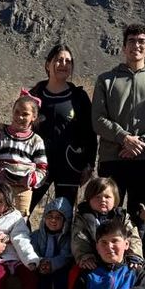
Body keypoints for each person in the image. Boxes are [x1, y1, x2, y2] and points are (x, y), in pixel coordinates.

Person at [91, 24, 145, 211]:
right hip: (112, 157)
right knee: (110, 213)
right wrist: (124, 138)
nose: (136, 45)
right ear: (123, 47)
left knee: (141, 214)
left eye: (141, 41)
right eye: (131, 41)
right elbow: (97, 118)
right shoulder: (106, 80)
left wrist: (142, 141)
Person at [29, 43, 96, 211]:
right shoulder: (35, 94)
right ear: (48, 64)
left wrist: (89, 164)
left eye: (68, 61)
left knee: (64, 214)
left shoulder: (79, 97)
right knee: (23, 211)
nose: (63, 64)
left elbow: (90, 134)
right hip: (37, 164)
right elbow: (21, 125)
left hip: (69, 164)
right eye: (59, 60)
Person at [0, 92, 48, 219]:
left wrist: (29, 179)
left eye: (25, 114)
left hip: (23, 191)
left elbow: (42, 168)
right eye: (17, 112)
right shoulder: (1, 134)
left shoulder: (36, 141)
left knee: (19, 222)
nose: (20, 117)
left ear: (34, 117)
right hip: (1, 187)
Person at [72, 177, 144, 273]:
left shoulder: (121, 217)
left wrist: (134, 255)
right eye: (97, 196)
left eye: (107, 197)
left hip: (119, 259)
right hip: (94, 261)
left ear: (115, 199)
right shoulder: (82, 217)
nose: (102, 200)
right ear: (89, 199)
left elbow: (133, 236)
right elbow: (79, 239)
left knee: (134, 270)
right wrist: (85, 256)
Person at [28, 197, 73, 289]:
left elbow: (66, 255)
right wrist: (40, 262)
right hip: (41, 265)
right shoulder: (37, 235)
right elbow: (32, 250)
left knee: (61, 278)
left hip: (59, 267)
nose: (53, 220)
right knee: (41, 279)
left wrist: (52, 264)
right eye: (50, 216)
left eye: (58, 218)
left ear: (66, 221)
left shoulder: (67, 238)